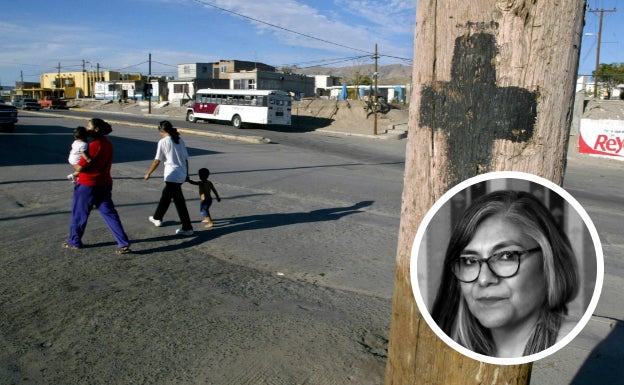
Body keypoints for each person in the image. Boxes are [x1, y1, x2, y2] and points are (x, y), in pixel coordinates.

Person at [430, 190, 579, 358]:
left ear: (549, 261)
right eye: (470, 261)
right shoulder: (436, 346)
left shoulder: (576, 346)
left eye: (507, 256)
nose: (484, 279)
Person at [64, 118, 131, 254]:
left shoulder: (94, 146)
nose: (86, 128)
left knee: (79, 213)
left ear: (96, 130)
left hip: (88, 184)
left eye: (89, 126)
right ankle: (123, 242)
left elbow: (80, 167)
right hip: (104, 183)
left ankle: (74, 241)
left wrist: (70, 160)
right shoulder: (107, 144)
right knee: (110, 214)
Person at [144, 120, 194, 236]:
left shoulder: (163, 142)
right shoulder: (179, 141)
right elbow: (185, 159)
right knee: (166, 196)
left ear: (161, 130)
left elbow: (157, 160)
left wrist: (148, 173)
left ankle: (187, 227)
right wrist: (186, 174)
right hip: (180, 174)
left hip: (172, 175)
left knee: (179, 202)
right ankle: (157, 217)